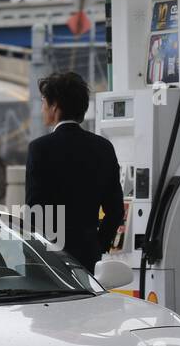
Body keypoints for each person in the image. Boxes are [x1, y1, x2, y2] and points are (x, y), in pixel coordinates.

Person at [25, 71, 124, 273]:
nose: (43, 108)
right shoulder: (103, 147)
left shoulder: (40, 148)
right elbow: (115, 211)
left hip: (48, 260)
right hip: (88, 258)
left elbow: (35, 210)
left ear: (55, 106)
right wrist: (98, 245)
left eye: (44, 102)